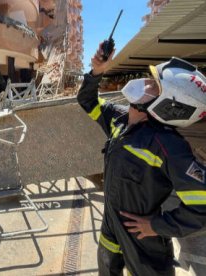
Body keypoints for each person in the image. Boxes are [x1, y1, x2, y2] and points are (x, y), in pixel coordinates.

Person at [77, 44, 206, 275]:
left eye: (154, 85)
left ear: (170, 104)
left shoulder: (169, 146)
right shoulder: (120, 119)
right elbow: (88, 101)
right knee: (108, 268)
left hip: (144, 240)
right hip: (111, 224)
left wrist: (157, 226)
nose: (144, 83)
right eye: (150, 78)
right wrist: (97, 71)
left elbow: (202, 205)